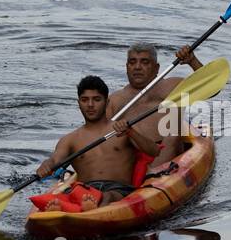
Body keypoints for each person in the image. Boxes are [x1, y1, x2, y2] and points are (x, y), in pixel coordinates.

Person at [36, 75, 157, 206]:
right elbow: (55, 159)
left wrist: (131, 132)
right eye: (84, 100)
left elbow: (154, 151)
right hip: (86, 190)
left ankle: (92, 208)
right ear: (79, 103)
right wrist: (47, 165)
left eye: (96, 99)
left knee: (108, 196)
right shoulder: (70, 139)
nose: (90, 105)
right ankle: (70, 208)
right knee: (71, 195)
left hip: (118, 190)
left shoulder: (123, 129)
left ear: (107, 102)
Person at [106, 43, 203, 178]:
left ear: (156, 68)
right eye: (132, 62)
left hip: (169, 151)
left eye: (145, 62)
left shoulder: (173, 86)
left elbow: (210, 88)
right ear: (126, 67)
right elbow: (101, 136)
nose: (137, 67)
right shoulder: (114, 100)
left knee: (172, 132)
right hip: (133, 155)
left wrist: (192, 61)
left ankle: (150, 176)